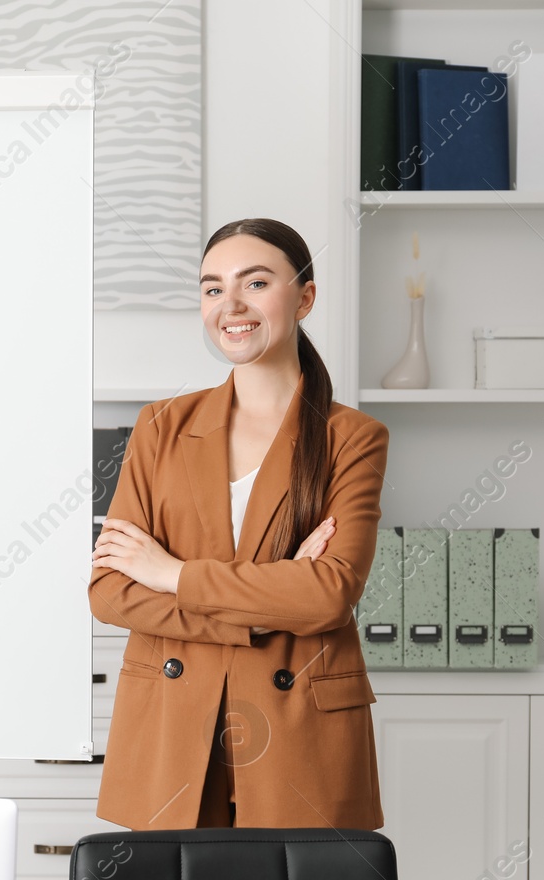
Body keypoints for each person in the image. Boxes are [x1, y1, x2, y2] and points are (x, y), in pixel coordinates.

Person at [88, 217, 391, 830]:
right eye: (211, 288)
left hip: (298, 731)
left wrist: (171, 573)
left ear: (304, 296)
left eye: (255, 283)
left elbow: (329, 595)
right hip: (174, 726)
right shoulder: (159, 426)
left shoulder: (352, 437)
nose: (230, 306)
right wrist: (269, 601)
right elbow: (111, 591)